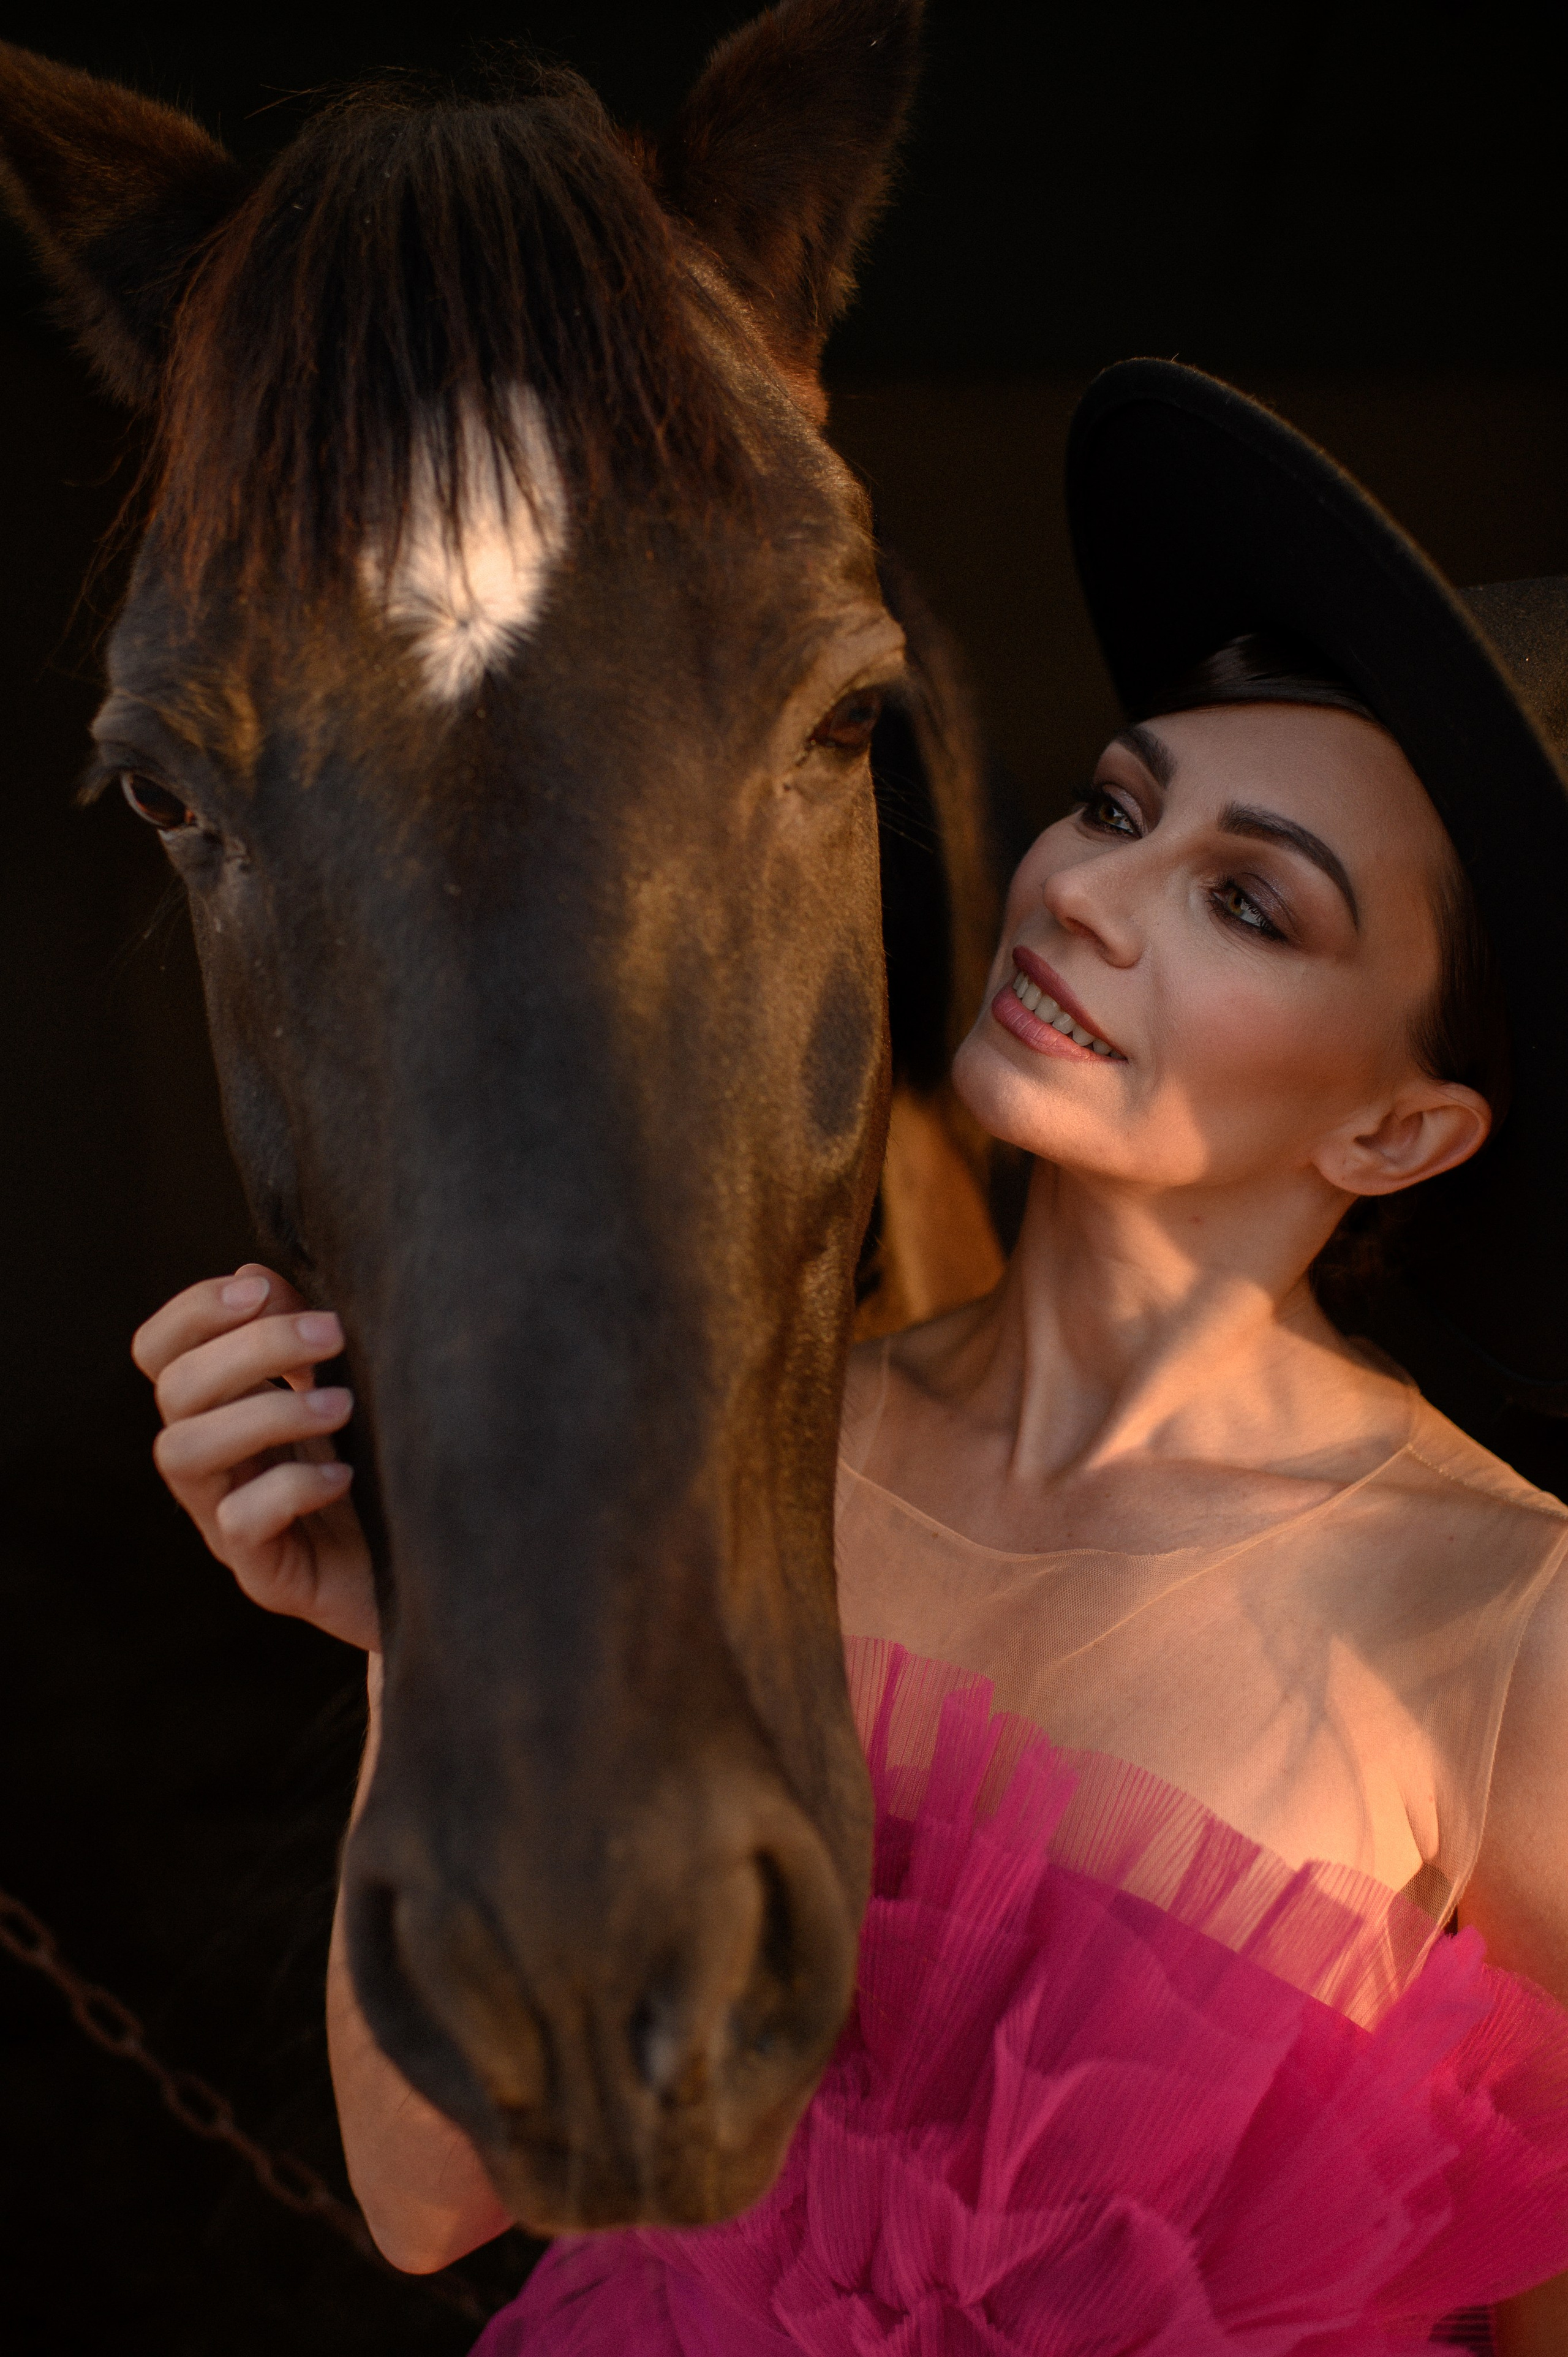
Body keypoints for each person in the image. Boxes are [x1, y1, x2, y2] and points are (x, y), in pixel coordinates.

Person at [134, 363, 1568, 2353]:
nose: (1082, 892)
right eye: (1118, 804)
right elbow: (425, 2193)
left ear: (1398, 1131)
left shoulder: (1505, 1626)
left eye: (1245, 901)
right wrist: (435, 1631)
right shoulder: (717, 1464)